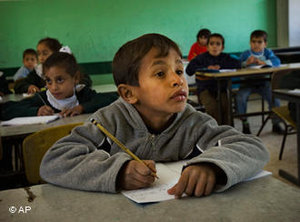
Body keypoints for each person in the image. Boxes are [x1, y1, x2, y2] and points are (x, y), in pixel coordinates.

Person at [40, 33, 268, 198]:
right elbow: (54, 161)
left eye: (179, 70)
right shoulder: (108, 122)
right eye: (161, 73)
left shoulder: (194, 123)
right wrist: (118, 172)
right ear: (128, 93)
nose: (178, 79)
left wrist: (212, 165)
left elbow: (253, 147)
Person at [1, 52, 117, 120]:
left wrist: (82, 107)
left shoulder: (83, 94)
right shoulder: (43, 99)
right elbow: (5, 109)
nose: (53, 87)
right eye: (48, 81)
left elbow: (113, 98)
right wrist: (36, 111)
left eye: (60, 80)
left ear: (75, 78)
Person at [185, 33, 241, 125]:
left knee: (226, 107)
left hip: (222, 89)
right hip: (205, 89)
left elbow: (238, 65)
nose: (214, 46)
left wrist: (220, 67)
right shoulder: (201, 58)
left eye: (218, 44)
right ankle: (216, 131)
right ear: (207, 47)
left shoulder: (225, 57)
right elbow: (189, 70)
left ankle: (228, 132)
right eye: (211, 44)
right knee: (213, 108)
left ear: (222, 47)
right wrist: (207, 67)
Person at [236, 30, 283, 134]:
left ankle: (276, 123)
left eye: (259, 42)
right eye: (253, 41)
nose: (256, 44)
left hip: (264, 83)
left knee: (274, 98)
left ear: (265, 43)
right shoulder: (246, 54)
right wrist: (245, 63)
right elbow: (237, 65)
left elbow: (277, 62)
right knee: (240, 98)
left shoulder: (267, 52)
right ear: (250, 42)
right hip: (247, 83)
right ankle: (245, 123)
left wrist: (263, 62)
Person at [14, 37, 92, 94]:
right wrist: (29, 87)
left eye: (45, 53)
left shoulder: (67, 67)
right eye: (38, 54)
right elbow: (18, 85)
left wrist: (72, 87)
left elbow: (86, 81)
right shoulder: (38, 71)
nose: (41, 58)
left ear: (56, 54)